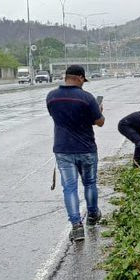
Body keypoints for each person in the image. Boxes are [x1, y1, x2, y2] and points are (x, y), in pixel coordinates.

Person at [46, 64, 106, 242]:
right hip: (86, 149)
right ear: (80, 78)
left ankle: (76, 226)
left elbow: (59, 118)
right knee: (90, 183)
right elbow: (100, 122)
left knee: (69, 188)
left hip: (63, 150)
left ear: (66, 77)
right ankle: (93, 215)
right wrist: (98, 111)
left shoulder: (51, 97)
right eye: (83, 80)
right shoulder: (87, 98)